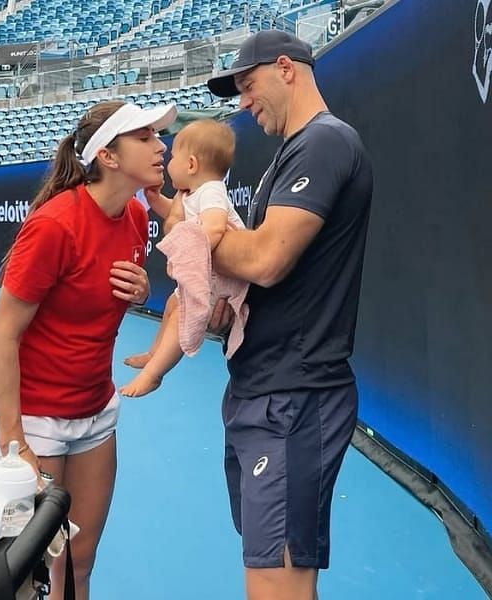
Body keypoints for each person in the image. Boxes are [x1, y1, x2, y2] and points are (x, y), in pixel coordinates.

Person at [204, 30, 372, 600]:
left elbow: (268, 260)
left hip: (295, 399)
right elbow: (262, 280)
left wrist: (194, 233)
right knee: (274, 578)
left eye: (248, 87)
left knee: (278, 588)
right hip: (267, 391)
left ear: (286, 69)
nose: (244, 104)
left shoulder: (324, 142)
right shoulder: (293, 151)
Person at [0, 100, 168, 599]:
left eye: (158, 136)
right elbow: (3, 335)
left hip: (94, 414)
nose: (161, 146)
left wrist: (143, 292)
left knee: (79, 563)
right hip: (34, 419)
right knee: (29, 577)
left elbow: (96, 303)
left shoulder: (134, 214)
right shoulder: (54, 225)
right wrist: (14, 443)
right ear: (108, 156)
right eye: (146, 137)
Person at [120, 118, 244, 397]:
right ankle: (154, 353)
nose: (167, 161)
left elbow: (213, 226)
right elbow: (181, 218)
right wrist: (155, 202)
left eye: (173, 157)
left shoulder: (211, 190)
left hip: (222, 279)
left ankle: (154, 374)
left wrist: (189, 254)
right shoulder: (191, 193)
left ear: (191, 165)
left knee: (182, 315)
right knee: (172, 302)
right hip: (210, 273)